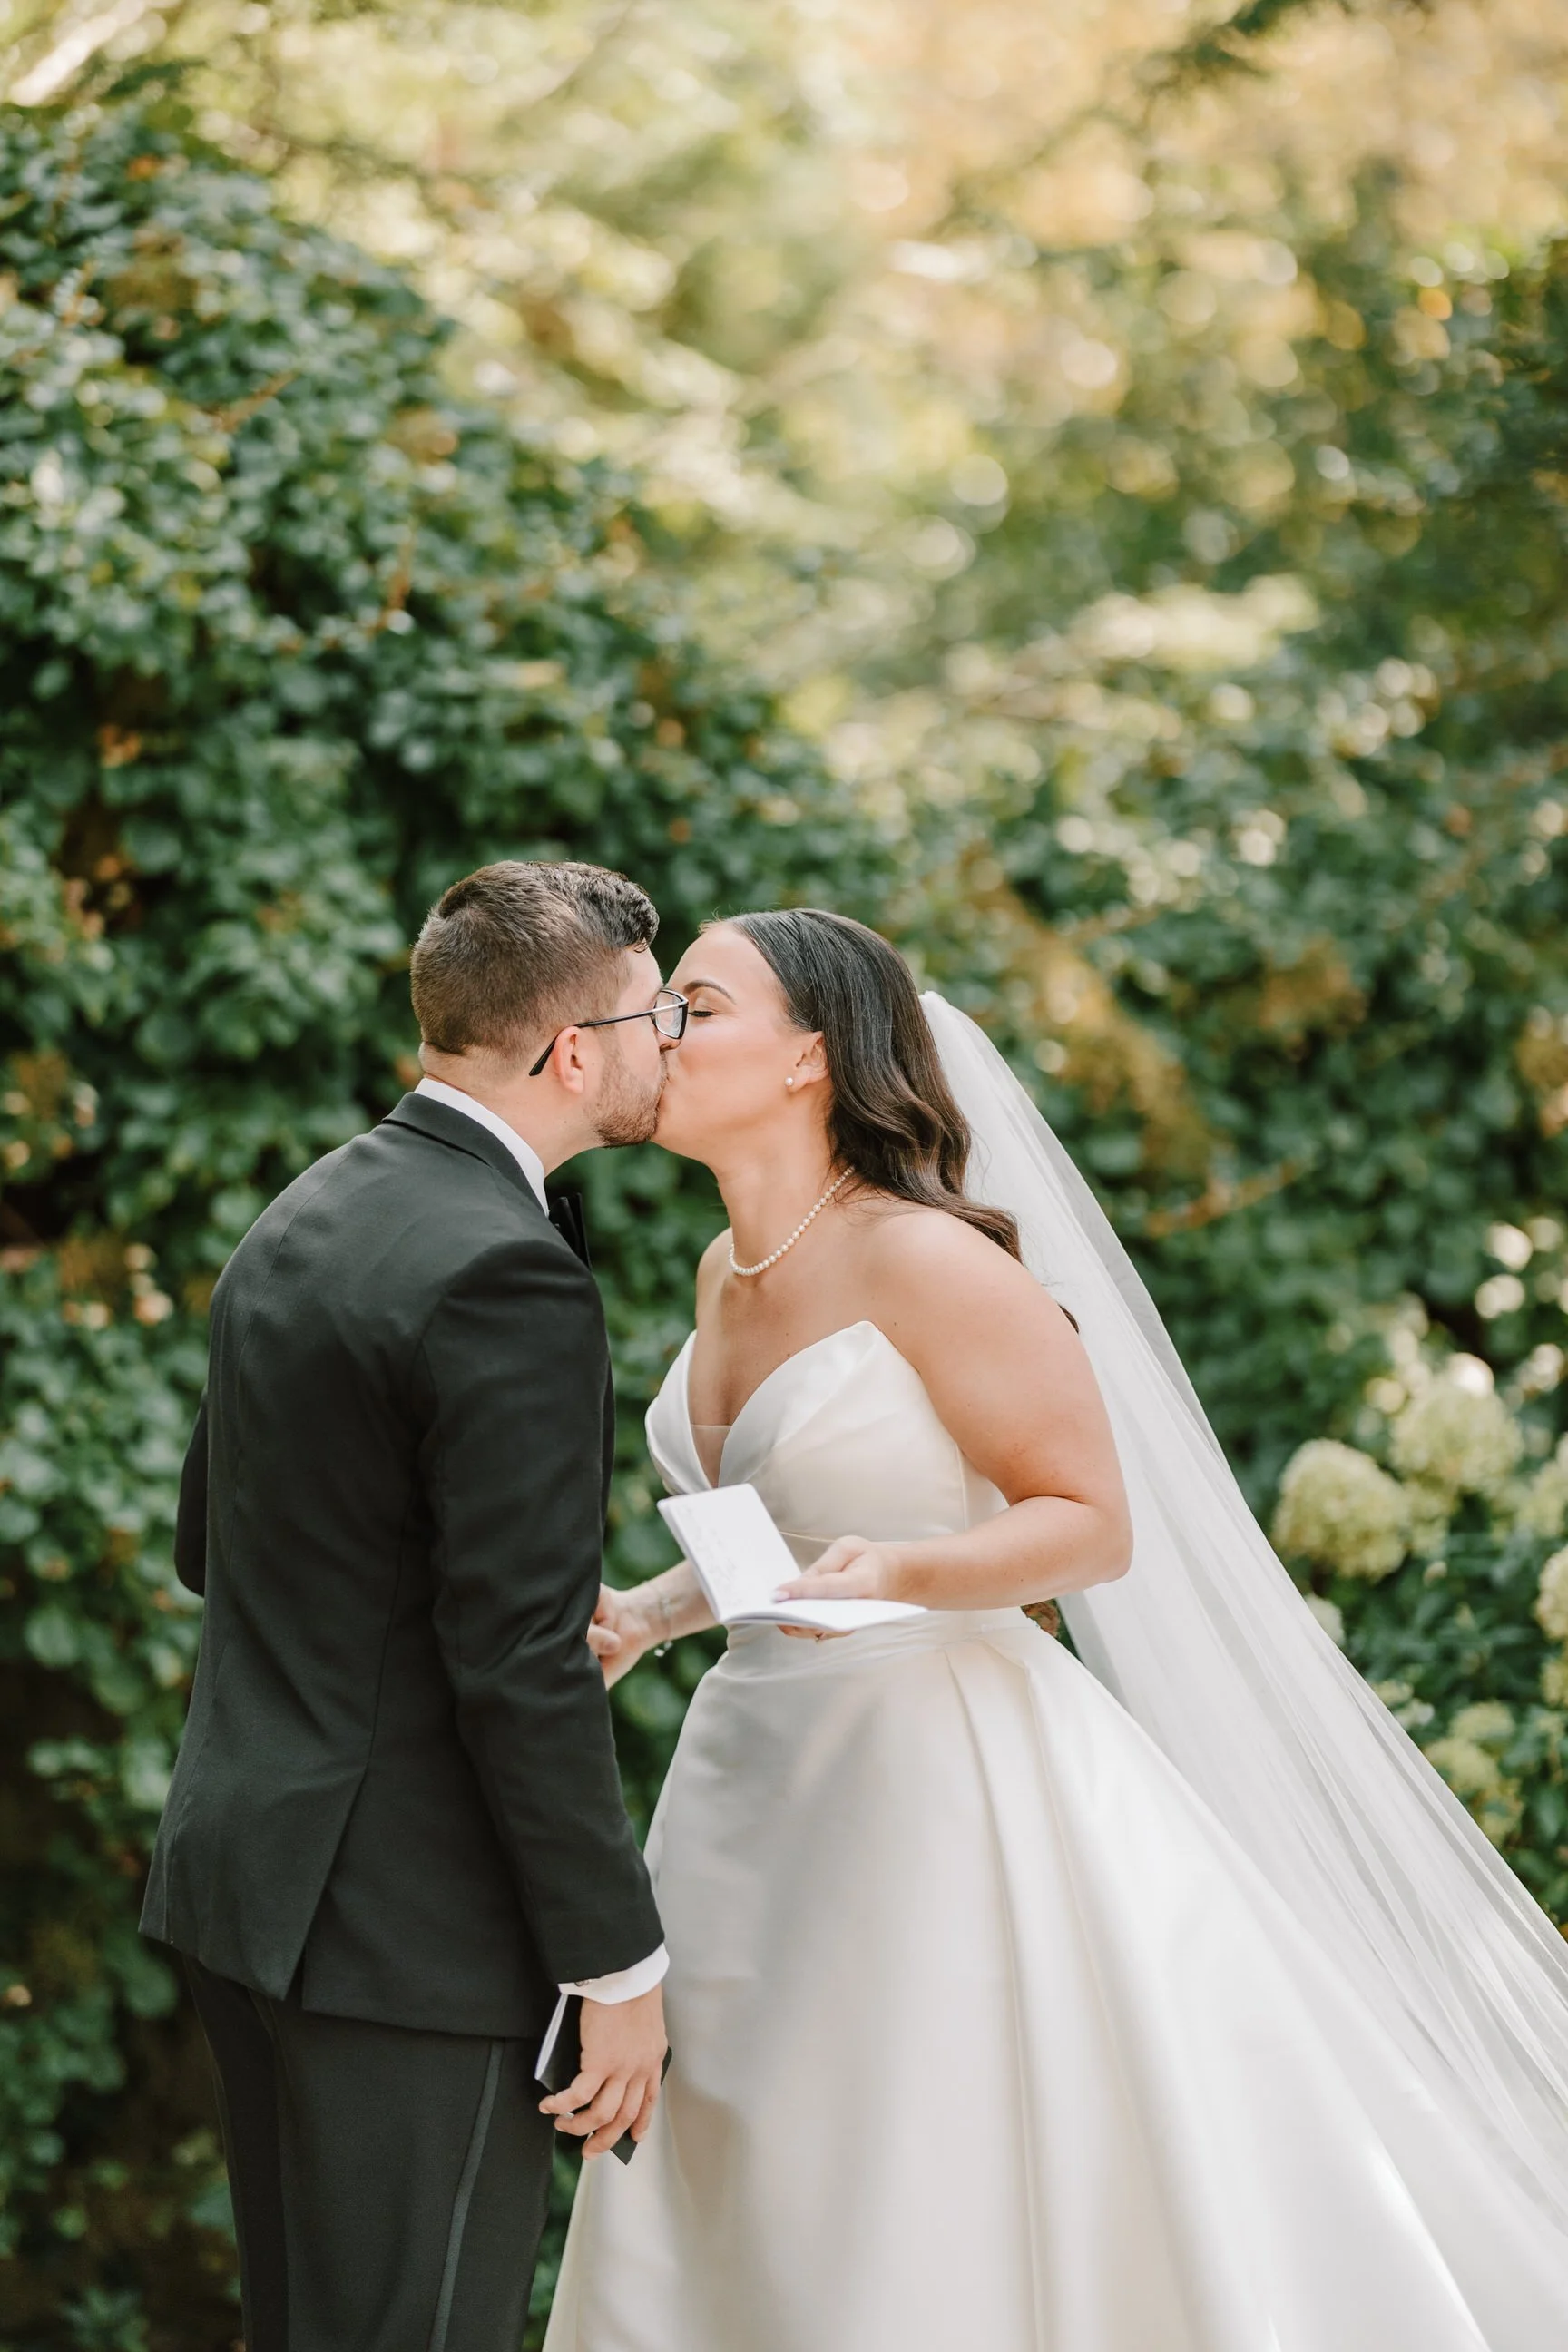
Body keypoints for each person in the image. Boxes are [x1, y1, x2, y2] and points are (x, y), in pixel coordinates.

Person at [546, 906, 1568, 2351]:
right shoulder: (725, 1269)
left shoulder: (928, 1261)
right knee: (758, 2176)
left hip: (936, 1774)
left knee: (922, 2159)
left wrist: (899, 1575)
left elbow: (1089, 1520)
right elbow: (779, 1527)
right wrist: (650, 1615)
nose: (661, 1035)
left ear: (808, 1060)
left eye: (696, 1007)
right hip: (752, 1784)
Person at [142, 860, 679, 2352]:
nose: (671, 1044)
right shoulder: (509, 1270)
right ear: (574, 1051)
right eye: (657, 1016)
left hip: (247, 1894)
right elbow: (515, 1665)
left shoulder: (306, 1212)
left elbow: (211, 1541)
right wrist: (617, 1963)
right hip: (405, 1940)